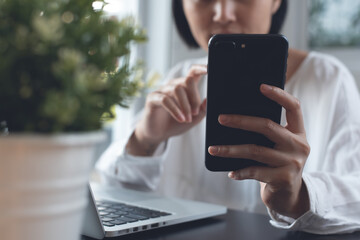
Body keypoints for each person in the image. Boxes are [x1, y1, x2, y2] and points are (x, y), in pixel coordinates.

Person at [96, 0, 360, 234]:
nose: (223, 14)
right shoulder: (179, 81)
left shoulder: (328, 79)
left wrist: (298, 196)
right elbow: (105, 197)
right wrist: (145, 139)